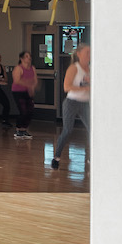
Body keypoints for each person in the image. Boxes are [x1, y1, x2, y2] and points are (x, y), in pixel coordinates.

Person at [52, 42, 90, 170]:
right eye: (87, 52)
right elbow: (66, 87)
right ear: (79, 54)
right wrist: (86, 88)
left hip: (85, 104)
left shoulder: (91, 68)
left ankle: (93, 158)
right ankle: (56, 157)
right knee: (68, 130)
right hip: (71, 102)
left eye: (90, 53)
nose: (89, 55)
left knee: (93, 131)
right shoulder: (74, 68)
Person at [10, 50, 38, 137]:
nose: (29, 58)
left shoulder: (32, 68)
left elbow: (35, 80)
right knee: (23, 110)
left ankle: (24, 129)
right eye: (26, 56)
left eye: (29, 56)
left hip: (27, 92)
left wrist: (32, 87)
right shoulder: (18, 68)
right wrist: (28, 84)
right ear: (21, 58)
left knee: (30, 110)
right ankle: (18, 129)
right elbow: (17, 80)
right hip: (18, 92)